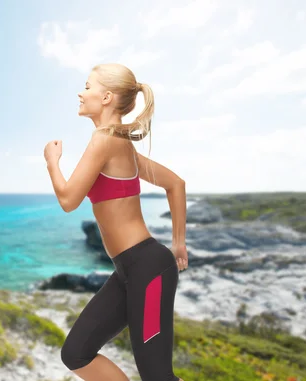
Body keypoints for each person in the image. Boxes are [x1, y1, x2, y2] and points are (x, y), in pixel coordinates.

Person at [44, 63, 188, 381]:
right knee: (76, 352)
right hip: (128, 270)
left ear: (106, 97)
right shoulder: (123, 147)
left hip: (149, 269)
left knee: (157, 376)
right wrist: (178, 242)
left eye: (87, 86)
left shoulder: (105, 141)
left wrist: (52, 162)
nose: (81, 93)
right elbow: (175, 184)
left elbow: (68, 200)